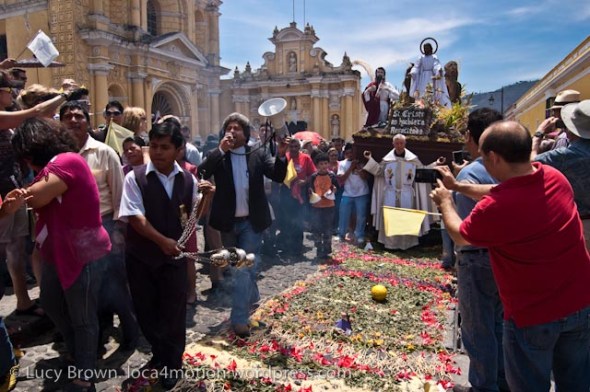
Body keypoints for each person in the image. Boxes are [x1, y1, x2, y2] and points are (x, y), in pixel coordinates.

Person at [430, 120, 590, 392]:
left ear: (493, 157)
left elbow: (460, 234)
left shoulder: (495, 210)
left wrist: (446, 201)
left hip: (533, 316)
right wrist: (458, 187)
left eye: (482, 156)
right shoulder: (553, 177)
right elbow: (499, 190)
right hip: (579, 304)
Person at [11, 118, 111, 392]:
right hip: (59, 252)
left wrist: (15, 198)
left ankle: (86, 374)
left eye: (27, 158)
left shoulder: (67, 160)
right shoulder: (50, 167)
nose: (27, 164)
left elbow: (36, 198)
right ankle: (78, 350)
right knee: (52, 303)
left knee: (82, 315)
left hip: (83, 253)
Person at [119, 117, 205, 390]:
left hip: (174, 260)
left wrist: (207, 199)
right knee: (146, 310)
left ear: (178, 149)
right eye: (154, 146)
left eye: (164, 147)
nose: (157, 152)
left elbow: (192, 220)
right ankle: (159, 352)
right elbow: (134, 217)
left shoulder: (189, 180)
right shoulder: (136, 177)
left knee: (174, 312)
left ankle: (172, 362)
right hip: (142, 258)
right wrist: (161, 241)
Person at [197, 112, 287, 337]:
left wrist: (283, 155)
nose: (232, 131)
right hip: (228, 223)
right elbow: (203, 171)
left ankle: (238, 318)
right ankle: (253, 296)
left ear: (246, 134)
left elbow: (277, 175)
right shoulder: (218, 155)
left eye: (237, 128)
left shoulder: (258, 154)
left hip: (251, 222)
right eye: (229, 127)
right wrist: (220, 151)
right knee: (240, 269)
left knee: (242, 270)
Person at [60, 101, 138, 353]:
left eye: (79, 116)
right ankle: (96, 333)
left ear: (88, 121)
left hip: (104, 225)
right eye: (68, 116)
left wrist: (118, 229)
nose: (73, 120)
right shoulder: (58, 155)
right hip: (72, 233)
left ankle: (130, 330)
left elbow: (119, 195)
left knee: (115, 285)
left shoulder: (104, 152)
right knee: (87, 289)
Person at [447, 108, 508, 392]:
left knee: (477, 329)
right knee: (501, 323)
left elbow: (463, 232)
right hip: (508, 258)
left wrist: (446, 202)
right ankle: (501, 381)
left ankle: (484, 386)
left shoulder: (471, 173)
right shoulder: (515, 168)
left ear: (471, 137)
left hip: (478, 259)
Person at [533, 99, 590, 249]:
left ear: (571, 129)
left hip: (580, 226)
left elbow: (529, 165)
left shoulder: (565, 156)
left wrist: (539, 133)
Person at [363, 133, 432, 250]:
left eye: (401, 143)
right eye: (397, 143)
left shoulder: (412, 159)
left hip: (407, 193)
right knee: (390, 218)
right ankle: (391, 244)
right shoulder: (387, 160)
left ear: (405, 144)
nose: (399, 145)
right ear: (393, 144)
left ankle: (407, 244)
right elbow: (379, 172)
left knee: (406, 217)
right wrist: (370, 159)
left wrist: (436, 165)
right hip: (390, 193)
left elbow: (422, 171)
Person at [277, 138, 316, 256]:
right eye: (291, 146)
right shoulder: (285, 157)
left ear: (299, 147)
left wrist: (305, 181)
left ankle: (297, 248)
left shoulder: (306, 158)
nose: (293, 149)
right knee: (286, 221)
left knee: (298, 221)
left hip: (300, 193)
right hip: (285, 192)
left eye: (296, 147)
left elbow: (313, 174)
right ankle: (286, 247)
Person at [337, 143, 370, 247]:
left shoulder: (362, 163)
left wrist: (358, 168)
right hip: (348, 193)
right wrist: (351, 168)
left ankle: (359, 234)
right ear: (345, 154)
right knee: (343, 213)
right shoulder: (342, 164)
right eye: (347, 153)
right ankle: (341, 234)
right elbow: (341, 179)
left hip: (362, 193)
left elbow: (366, 177)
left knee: (361, 215)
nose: (350, 155)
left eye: (351, 152)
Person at [309, 153, 338, 259]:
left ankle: (326, 250)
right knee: (317, 229)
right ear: (317, 165)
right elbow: (310, 189)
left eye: (326, 163)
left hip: (329, 206)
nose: (324, 166)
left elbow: (337, 187)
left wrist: (334, 190)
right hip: (317, 206)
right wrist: (311, 193)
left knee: (327, 229)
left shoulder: (331, 175)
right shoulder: (313, 176)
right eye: (321, 164)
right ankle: (318, 248)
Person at [409, 42, 451, 107]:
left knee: (431, 90)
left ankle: (431, 104)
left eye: (427, 48)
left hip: (431, 77)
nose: (426, 49)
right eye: (424, 48)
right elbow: (416, 66)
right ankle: (421, 105)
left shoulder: (433, 57)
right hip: (422, 78)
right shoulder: (421, 57)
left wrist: (438, 71)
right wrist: (413, 72)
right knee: (421, 91)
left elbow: (436, 65)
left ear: (430, 49)